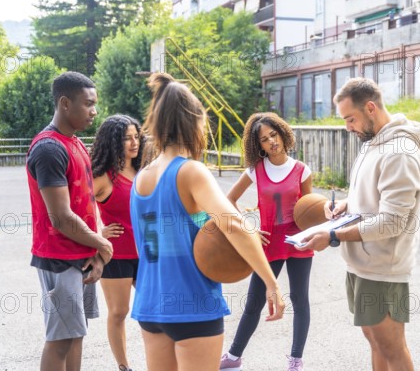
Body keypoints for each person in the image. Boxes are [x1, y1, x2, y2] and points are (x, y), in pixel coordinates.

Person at [130, 73, 285, 371]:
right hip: (192, 305)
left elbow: (169, 234)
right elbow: (234, 225)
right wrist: (271, 281)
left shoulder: (142, 177)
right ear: (194, 122)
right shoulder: (190, 171)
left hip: (150, 305)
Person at [298, 77, 420, 371]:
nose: (348, 127)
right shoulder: (373, 142)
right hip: (363, 263)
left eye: (350, 119)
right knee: (374, 339)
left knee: (392, 347)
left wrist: (333, 236)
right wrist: (345, 205)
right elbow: (374, 198)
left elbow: (392, 221)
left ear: (370, 107)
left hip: (383, 266)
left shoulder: (400, 152)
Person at [26, 71, 113, 371]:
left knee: (76, 334)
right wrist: (102, 242)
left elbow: (86, 204)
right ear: (65, 103)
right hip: (58, 258)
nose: (94, 111)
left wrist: (96, 253)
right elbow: (61, 218)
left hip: (81, 255)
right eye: (88, 104)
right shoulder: (49, 149)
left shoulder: (75, 143)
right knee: (60, 339)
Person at [220, 113, 313, 371]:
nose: (272, 141)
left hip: (298, 241)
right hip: (269, 241)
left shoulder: (302, 170)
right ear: (258, 145)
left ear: (283, 134)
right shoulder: (255, 170)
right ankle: (234, 356)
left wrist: (322, 226)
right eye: (264, 139)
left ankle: (296, 360)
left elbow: (309, 209)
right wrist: (248, 228)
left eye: (274, 135)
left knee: (299, 299)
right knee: (255, 301)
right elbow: (229, 200)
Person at [90, 114, 146, 371]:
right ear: (113, 141)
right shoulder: (103, 177)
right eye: (127, 138)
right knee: (119, 312)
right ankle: (124, 367)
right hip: (117, 256)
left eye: (136, 136)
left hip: (149, 253)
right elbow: (74, 210)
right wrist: (98, 234)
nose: (134, 142)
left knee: (155, 308)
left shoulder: (145, 170)